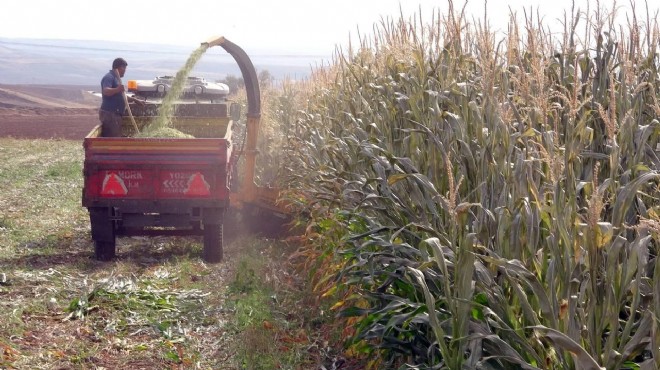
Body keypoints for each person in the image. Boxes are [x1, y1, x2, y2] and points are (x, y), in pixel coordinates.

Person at [99, 57, 144, 137]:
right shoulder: (109, 77)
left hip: (115, 114)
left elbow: (120, 95)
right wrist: (117, 89)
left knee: (116, 135)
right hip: (110, 114)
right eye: (124, 69)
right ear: (120, 68)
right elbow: (106, 91)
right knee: (113, 137)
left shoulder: (116, 79)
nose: (125, 71)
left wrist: (134, 100)